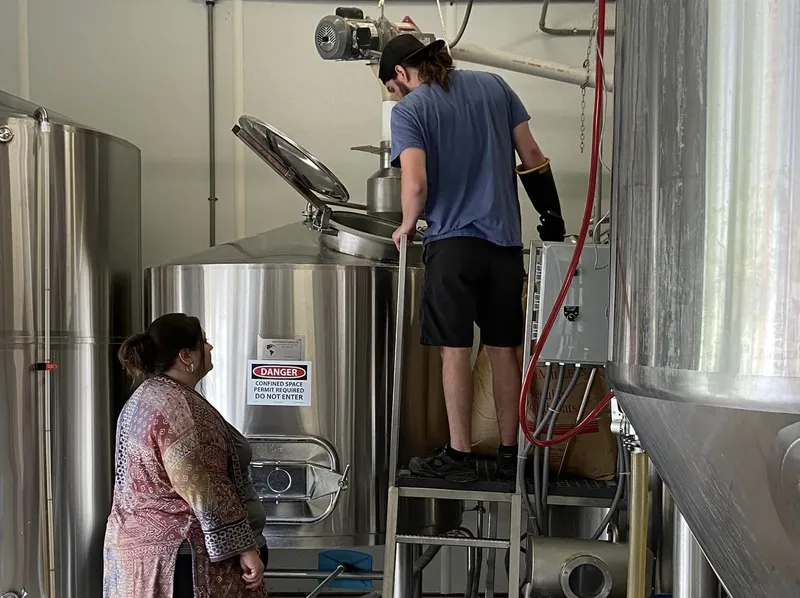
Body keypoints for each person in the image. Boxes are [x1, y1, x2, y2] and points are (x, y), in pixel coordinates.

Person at [379, 35, 565, 483]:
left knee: (455, 352)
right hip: (504, 247)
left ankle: (459, 455)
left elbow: (416, 183)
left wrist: (406, 223)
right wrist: (551, 215)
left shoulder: (409, 110)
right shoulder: (495, 87)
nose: (394, 94)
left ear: (401, 74)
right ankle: (509, 454)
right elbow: (533, 156)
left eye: (391, 86)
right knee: (504, 352)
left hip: (453, 246)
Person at [103, 313, 269, 598]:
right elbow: (203, 487)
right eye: (203, 341)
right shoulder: (176, 406)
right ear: (185, 356)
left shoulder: (148, 396)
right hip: (181, 556)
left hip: (140, 554)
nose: (211, 347)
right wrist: (244, 547)